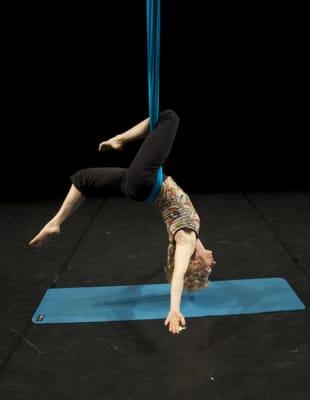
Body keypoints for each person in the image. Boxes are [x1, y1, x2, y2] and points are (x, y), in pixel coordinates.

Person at [29, 109, 216, 334]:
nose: (212, 263)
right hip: (136, 186)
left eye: (208, 268)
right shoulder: (193, 238)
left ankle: (119, 139)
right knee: (82, 179)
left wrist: (174, 308)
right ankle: (55, 222)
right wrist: (196, 265)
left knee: (169, 117)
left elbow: (178, 273)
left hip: (146, 182)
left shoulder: (186, 240)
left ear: (194, 262)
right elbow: (190, 260)